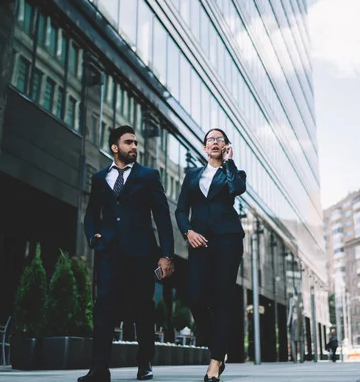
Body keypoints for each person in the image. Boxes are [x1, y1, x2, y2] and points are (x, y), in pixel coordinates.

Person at [79, 125, 174, 382]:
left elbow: (162, 217)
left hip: (142, 254)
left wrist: (166, 255)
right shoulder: (100, 179)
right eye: (129, 142)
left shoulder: (148, 176)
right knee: (104, 307)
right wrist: (93, 236)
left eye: (136, 143)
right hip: (109, 254)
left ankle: (144, 360)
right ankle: (99, 367)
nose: (134, 147)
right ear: (114, 147)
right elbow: (90, 214)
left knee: (143, 307)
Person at [175, 128, 246, 382]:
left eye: (220, 139)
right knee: (195, 298)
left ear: (226, 146)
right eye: (210, 140)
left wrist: (229, 162)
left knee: (222, 298)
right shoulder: (192, 175)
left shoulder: (234, 173)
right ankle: (218, 347)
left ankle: (215, 363)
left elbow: (237, 189)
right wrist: (188, 231)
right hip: (199, 243)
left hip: (227, 240)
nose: (214, 142)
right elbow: (181, 210)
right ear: (205, 148)